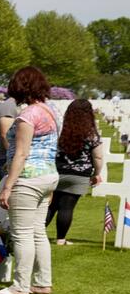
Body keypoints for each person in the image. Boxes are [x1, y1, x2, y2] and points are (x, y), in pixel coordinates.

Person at [0, 66, 61, 294]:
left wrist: (8, 186)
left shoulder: (27, 116)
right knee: (38, 231)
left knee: (21, 233)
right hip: (48, 176)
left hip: (28, 178)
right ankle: (43, 282)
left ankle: (20, 286)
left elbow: (21, 153)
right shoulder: (49, 110)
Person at [44, 99, 104, 246]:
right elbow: (98, 156)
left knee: (51, 205)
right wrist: (97, 173)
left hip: (58, 172)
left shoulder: (60, 131)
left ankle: (36, 233)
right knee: (67, 207)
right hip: (79, 175)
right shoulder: (91, 134)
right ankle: (61, 239)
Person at [0, 95, 20, 180]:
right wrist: (12, 158)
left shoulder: (13, 106)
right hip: (5, 157)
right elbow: (5, 135)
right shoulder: (8, 107)